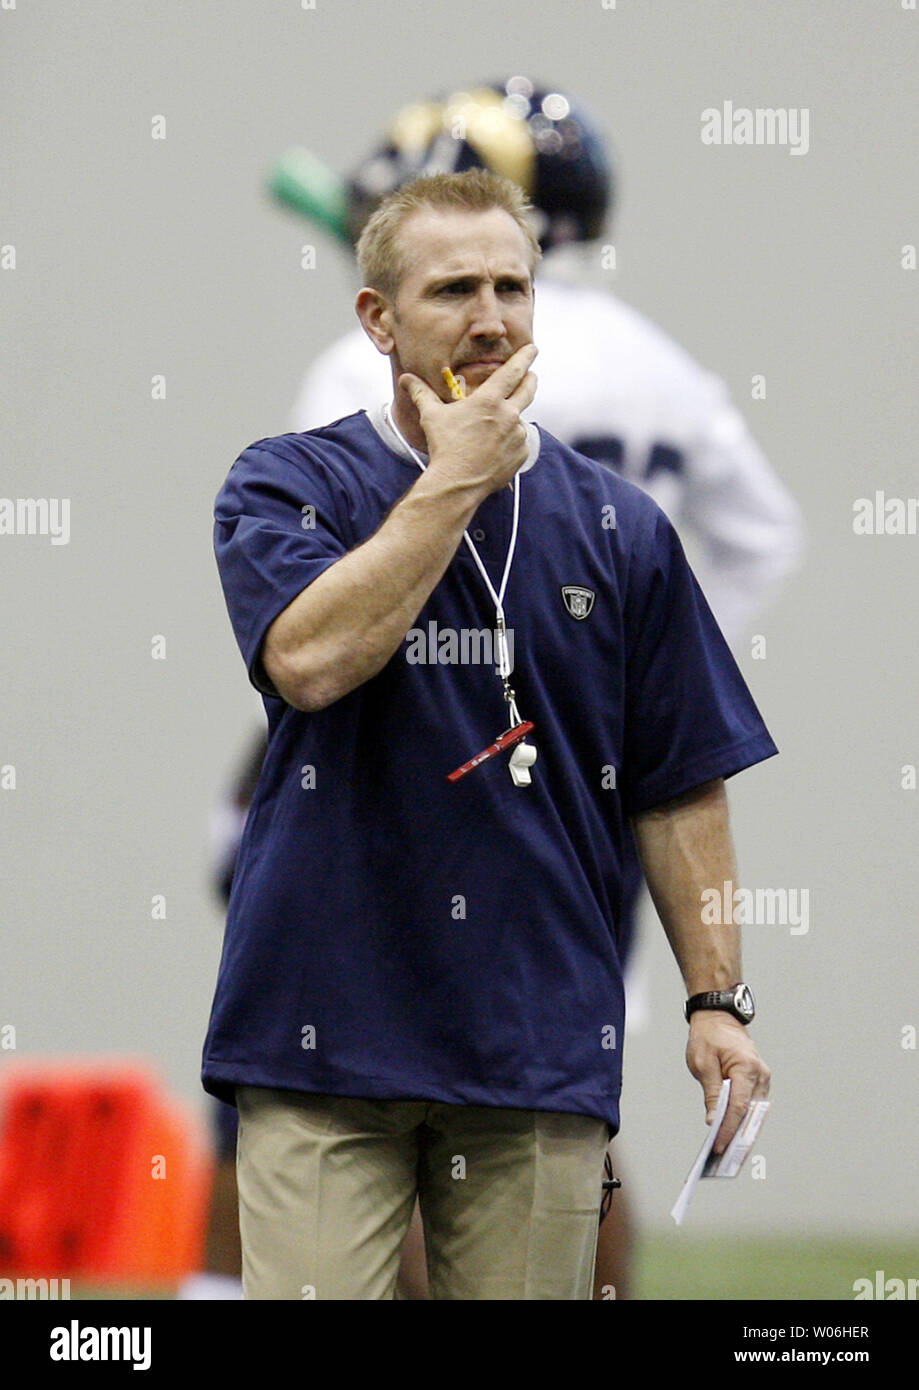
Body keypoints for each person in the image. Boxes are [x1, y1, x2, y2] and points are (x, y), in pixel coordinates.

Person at [201, 168, 773, 1301]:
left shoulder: (620, 527)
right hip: (324, 1029)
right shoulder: (287, 482)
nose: (490, 316)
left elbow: (681, 785)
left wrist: (718, 1002)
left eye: (511, 285)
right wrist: (454, 480)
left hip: (533, 1031)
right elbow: (311, 661)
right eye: (453, 287)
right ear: (378, 318)